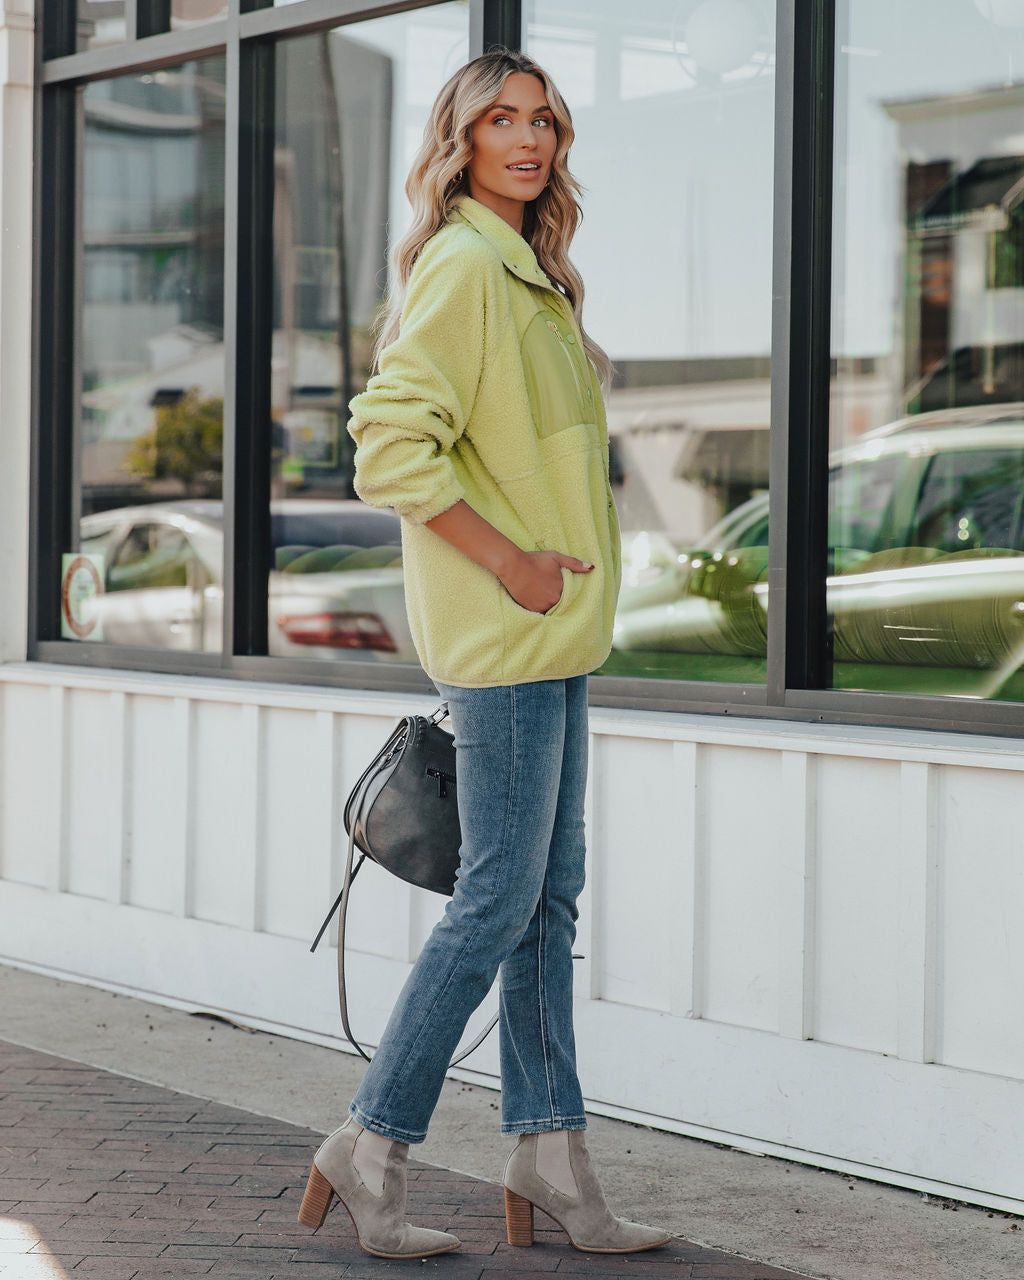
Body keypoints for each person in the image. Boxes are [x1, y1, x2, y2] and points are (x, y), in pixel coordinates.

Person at [297, 48, 671, 1261]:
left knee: (544, 900)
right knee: (498, 896)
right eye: (500, 120)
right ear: (457, 142)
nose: (528, 139)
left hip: (555, 634)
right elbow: (388, 451)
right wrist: (510, 560)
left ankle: (548, 1149)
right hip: (506, 635)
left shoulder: (531, 277)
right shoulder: (465, 266)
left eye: (544, 122)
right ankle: (372, 1138)